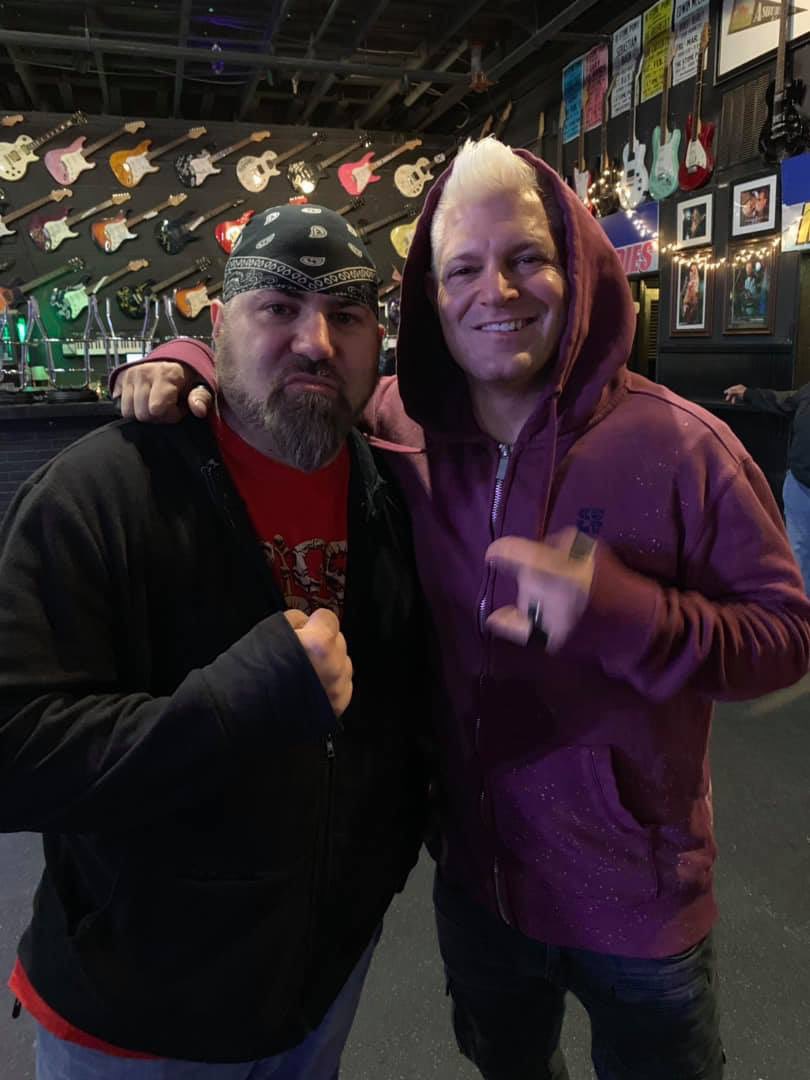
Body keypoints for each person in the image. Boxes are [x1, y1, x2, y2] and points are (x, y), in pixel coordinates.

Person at [112, 137, 810, 1080]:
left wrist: (626, 614)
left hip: (638, 898)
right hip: (478, 881)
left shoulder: (686, 446)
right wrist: (186, 355)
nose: (499, 292)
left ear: (581, 266)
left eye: (527, 259)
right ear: (432, 295)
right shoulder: (399, 422)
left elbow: (785, 639)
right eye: (465, 269)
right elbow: (289, 370)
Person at [0, 205, 429, 1076]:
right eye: (277, 306)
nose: (315, 341)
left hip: (321, 986)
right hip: (136, 1016)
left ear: (375, 340)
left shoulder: (399, 496)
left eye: (345, 315)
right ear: (218, 325)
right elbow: (14, 753)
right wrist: (241, 702)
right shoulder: (99, 493)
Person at [725, 379, 810, 592]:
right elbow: (785, 400)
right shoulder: (807, 391)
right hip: (800, 486)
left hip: (799, 483)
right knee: (798, 553)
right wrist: (748, 394)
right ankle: (800, 614)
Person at [680, 260, 702, 324]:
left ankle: (690, 319)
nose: (692, 273)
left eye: (694, 271)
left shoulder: (695, 282)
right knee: (688, 305)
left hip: (693, 292)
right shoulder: (690, 281)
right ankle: (687, 319)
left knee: (693, 306)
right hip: (690, 291)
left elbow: (696, 283)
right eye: (691, 271)